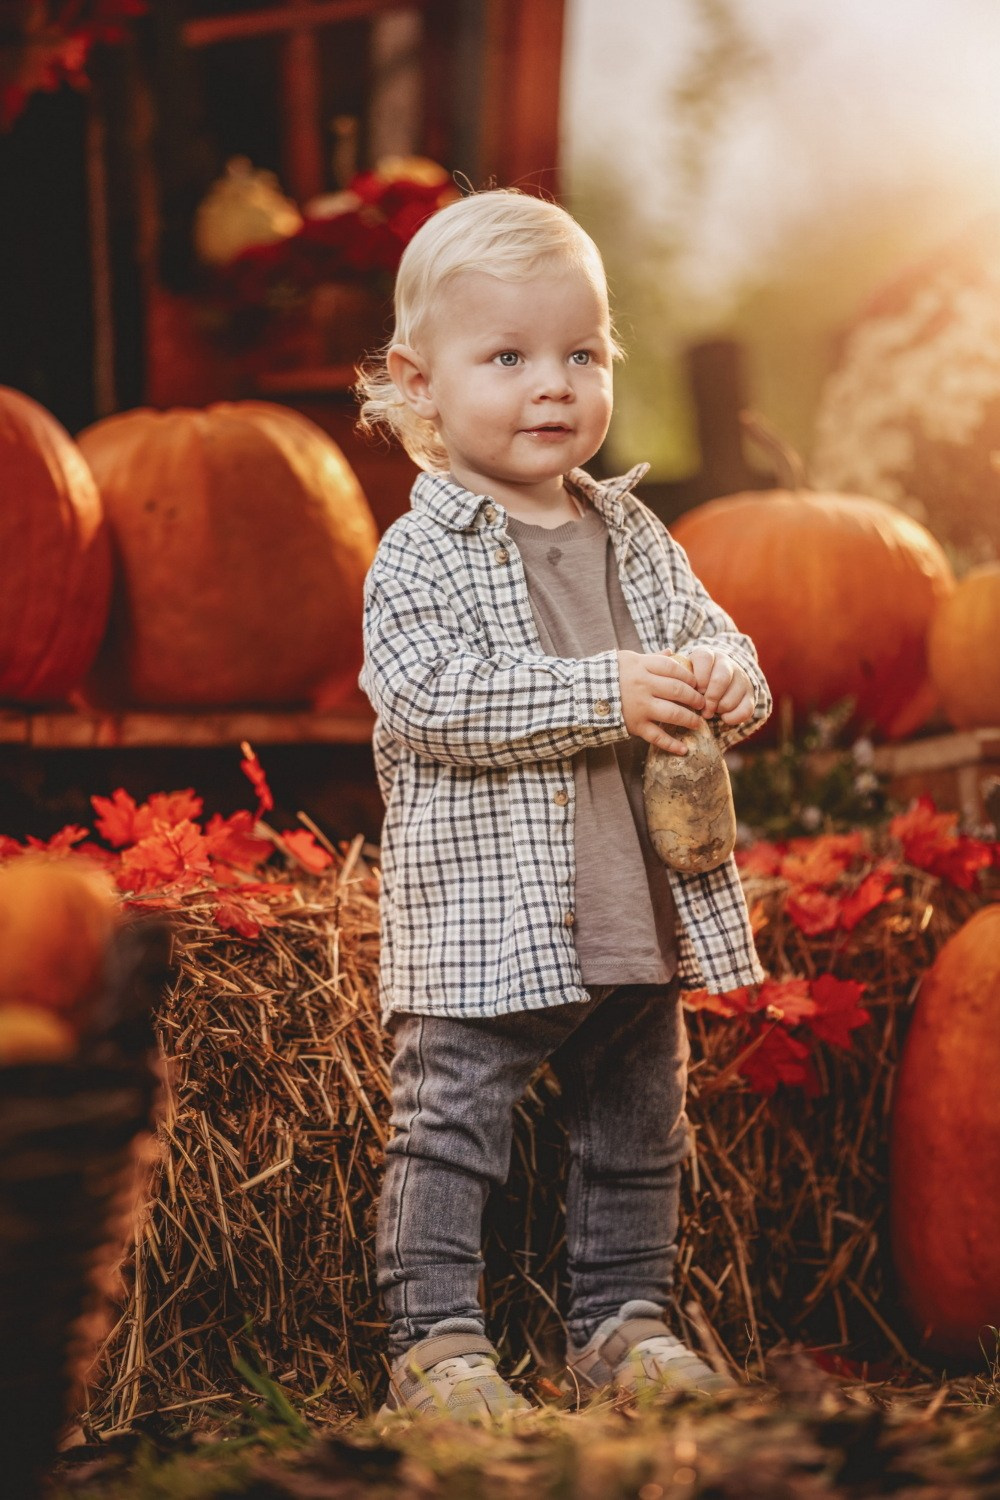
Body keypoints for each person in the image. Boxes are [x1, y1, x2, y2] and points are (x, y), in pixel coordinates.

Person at [356, 188, 771, 1421]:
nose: (553, 385)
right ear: (417, 383)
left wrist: (722, 678)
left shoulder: (631, 530)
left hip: (636, 899)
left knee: (639, 1130)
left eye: (580, 354)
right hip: (491, 917)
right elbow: (428, 698)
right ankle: (434, 1343)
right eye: (508, 357)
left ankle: (622, 1325)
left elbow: (720, 643)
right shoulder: (420, 553)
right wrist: (608, 692)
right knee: (451, 1125)